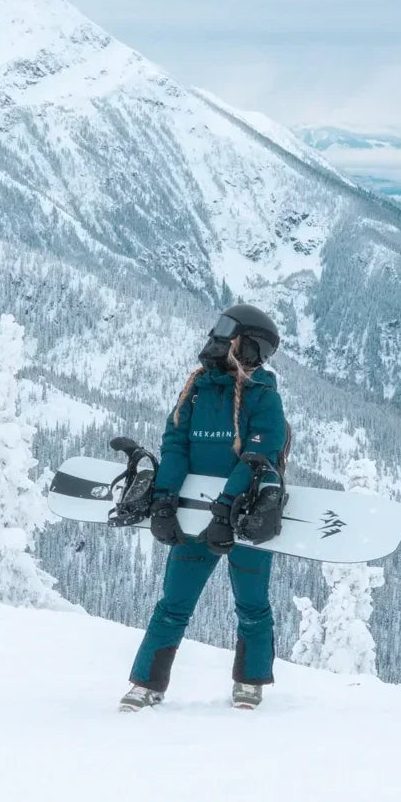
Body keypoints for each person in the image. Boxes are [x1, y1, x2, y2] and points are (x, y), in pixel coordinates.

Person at [120, 304, 288, 712]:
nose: (216, 337)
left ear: (248, 344)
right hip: (195, 515)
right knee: (173, 602)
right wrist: (162, 500)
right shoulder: (196, 390)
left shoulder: (264, 397)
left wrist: (226, 510)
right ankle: (147, 684)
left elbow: (257, 456)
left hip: (244, 516)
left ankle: (249, 682)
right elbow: (175, 447)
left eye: (227, 331)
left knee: (251, 604)